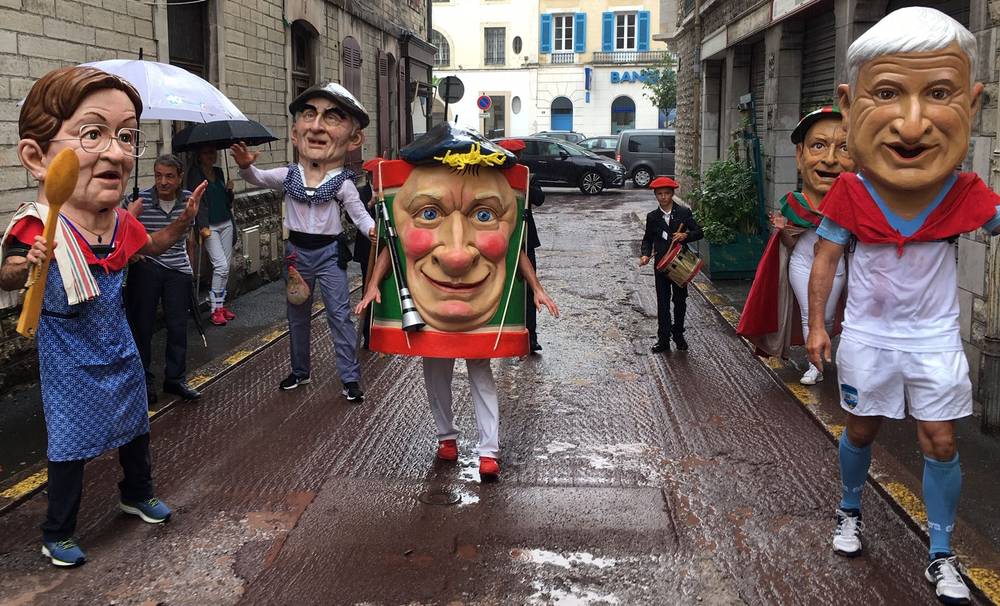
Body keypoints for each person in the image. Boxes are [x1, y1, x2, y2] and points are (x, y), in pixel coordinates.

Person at [806, 8, 1000, 603]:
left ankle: (941, 555)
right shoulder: (851, 190)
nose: (913, 127)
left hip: (934, 339)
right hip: (868, 333)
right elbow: (826, 260)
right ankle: (849, 512)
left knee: (940, 441)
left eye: (939, 94)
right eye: (888, 93)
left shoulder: (966, 191)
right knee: (861, 430)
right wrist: (817, 325)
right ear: (852, 100)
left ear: (971, 102)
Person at [0, 66, 206, 567]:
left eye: (126, 136)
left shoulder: (120, 223)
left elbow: (150, 246)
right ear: (36, 157)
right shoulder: (39, 222)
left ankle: (136, 492)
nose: (117, 152)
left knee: (136, 421)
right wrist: (25, 264)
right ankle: (58, 530)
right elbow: (4, 276)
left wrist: (182, 222)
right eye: (93, 134)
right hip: (68, 353)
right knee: (69, 441)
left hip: (117, 342)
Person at [355, 123, 559, 480]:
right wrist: (373, 285)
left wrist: (536, 287)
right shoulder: (400, 224)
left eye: (484, 215)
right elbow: (392, 247)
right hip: (428, 313)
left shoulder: (514, 215)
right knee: (435, 373)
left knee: (480, 373)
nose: (456, 255)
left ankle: (488, 451)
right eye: (429, 214)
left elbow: (516, 252)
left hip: (480, 318)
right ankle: (446, 437)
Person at [231, 82, 375, 400]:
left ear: (353, 139)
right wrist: (245, 165)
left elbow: (360, 216)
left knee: (339, 315)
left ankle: (350, 379)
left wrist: (372, 231)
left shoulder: (343, 183)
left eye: (331, 118)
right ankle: (299, 371)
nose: (317, 126)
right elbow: (258, 177)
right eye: (309, 115)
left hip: (329, 253)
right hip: (297, 253)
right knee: (297, 315)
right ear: (296, 133)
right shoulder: (288, 175)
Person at [737, 107, 853, 384]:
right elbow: (788, 244)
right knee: (807, 312)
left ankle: (832, 355)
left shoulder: (856, 208)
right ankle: (815, 366)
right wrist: (783, 231)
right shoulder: (794, 204)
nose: (829, 159)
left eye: (845, 148)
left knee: (827, 314)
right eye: (818, 146)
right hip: (801, 264)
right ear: (800, 156)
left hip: (836, 268)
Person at [125, 154, 202, 403]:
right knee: (142, 327)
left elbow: (188, 239)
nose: (163, 181)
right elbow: (124, 232)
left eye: (169, 176)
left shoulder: (189, 200)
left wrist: (190, 267)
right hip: (147, 267)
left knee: (178, 326)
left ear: (180, 178)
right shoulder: (139, 200)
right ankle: (144, 380)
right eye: (158, 175)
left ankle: (175, 379)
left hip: (177, 270)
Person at [639, 177, 703, 352]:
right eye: (659, 194)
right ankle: (663, 339)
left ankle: (679, 335)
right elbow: (647, 240)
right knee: (663, 303)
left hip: (679, 265)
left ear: (672, 194)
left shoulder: (683, 212)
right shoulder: (652, 217)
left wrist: (685, 236)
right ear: (655, 195)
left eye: (667, 194)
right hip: (661, 265)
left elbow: (699, 232)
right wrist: (645, 255)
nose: (663, 197)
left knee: (680, 301)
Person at [497, 138, 546, 353]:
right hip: (499, 239)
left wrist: (526, 181)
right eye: (512, 156)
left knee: (528, 288)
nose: (515, 160)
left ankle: (530, 336)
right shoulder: (495, 177)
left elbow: (539, 199)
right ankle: (505, 332)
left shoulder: (527, 175)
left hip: (525, 239)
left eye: (518, 156)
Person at [187, 146, 236, 326]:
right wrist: (201, 225)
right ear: (199, 155)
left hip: (226, 222)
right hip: (210, 227)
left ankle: (220, 306)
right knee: (221, 266)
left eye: (213, 152)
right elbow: (194, 200)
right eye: (207, 152)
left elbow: (227, 202)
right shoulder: (195, 174)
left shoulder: (219, 172)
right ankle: (215, 309)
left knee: (225, 268)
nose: (211, 155)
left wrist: (230, 190)